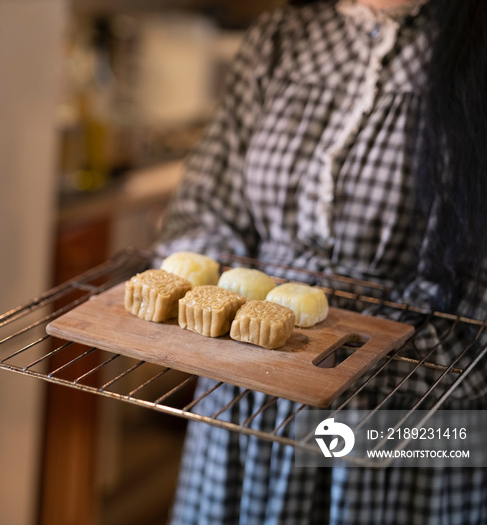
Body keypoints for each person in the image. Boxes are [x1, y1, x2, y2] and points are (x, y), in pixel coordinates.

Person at [154, 0, 487, 523]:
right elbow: (205, 206)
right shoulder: (284, 38)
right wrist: (231, 313)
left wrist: (354, 352)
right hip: (248, 391)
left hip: (403, 414)